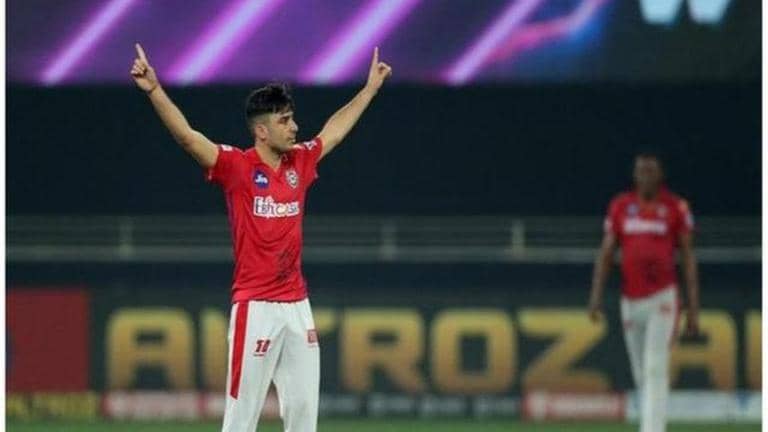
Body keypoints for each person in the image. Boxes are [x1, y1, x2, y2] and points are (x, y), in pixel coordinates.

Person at [130, 43, 392, 432]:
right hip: (255, 308)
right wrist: (154, 90)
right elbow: (188, 138)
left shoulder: (300, 161)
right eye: (285, 121)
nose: (295, 127)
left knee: (304, 415)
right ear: (262, 131)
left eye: (292, 119)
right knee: (241, 419)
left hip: (297, 306)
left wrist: (369, 89)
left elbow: (333, 133)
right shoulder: (236, 167)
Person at [588, 153, 700, 432]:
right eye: (641, 171)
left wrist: (693, 309)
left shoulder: (676, 207)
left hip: (662, 297)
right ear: (634, 175)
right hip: (630, 300)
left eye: (651, 171)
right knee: (641, 374)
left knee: (655, 368)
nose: (646, 176)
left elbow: (688, 258)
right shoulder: (621, 206)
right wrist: (596, 295)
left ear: (660, 176)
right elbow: (607, 252)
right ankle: (651, 423)